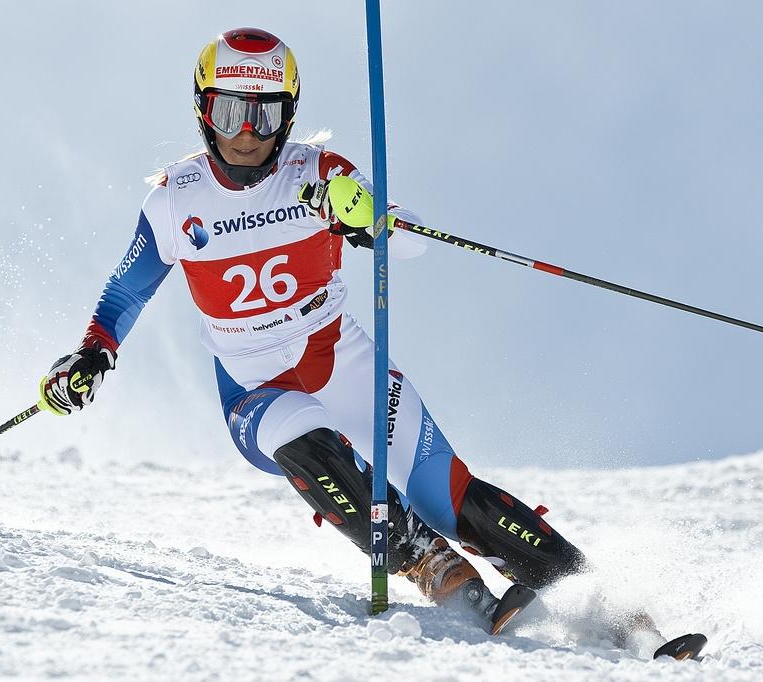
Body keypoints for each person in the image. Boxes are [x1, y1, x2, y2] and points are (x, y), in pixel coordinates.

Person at [38, 27, 585, 634]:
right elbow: (125, 291)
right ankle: (436, 570)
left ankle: (601, 601)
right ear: (202, 110)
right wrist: (91, 354)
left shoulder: (319, 173)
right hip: (255, 389)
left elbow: (408, 240)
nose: (246, 133)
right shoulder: (174, 200)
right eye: (228, 112)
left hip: (341, 359)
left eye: (264, 115)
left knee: (449, 495)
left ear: (288, 115)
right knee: (308, 437)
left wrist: (369, 219)